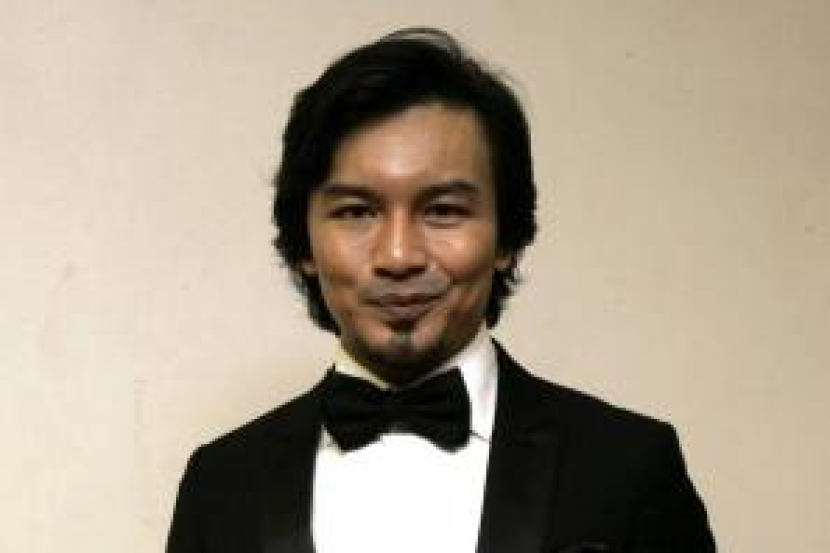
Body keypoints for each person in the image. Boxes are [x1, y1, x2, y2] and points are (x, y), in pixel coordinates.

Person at [166, 28, 716, 553]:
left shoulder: (628, 469)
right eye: (356, 212)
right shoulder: (220, 486)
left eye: (444, 210)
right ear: (303, 243)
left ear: (507, 235)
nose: (399, 256)